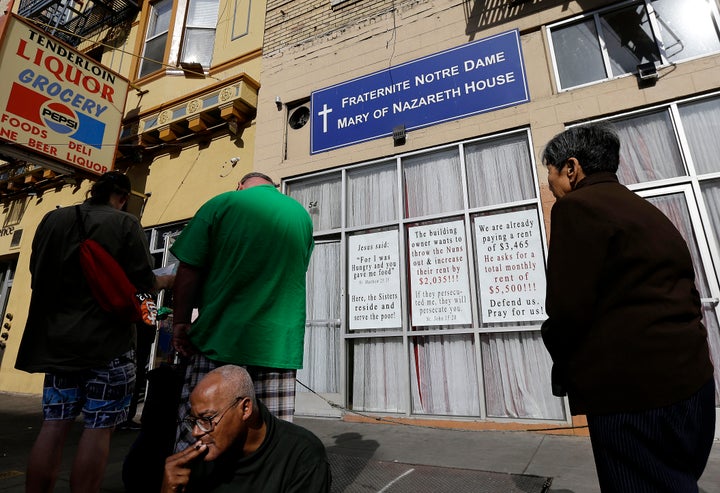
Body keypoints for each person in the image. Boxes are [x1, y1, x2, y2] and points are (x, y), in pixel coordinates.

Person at [541, 124, 715, 492]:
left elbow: (567, 309)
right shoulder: (644, 211)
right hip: (693, 383)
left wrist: (558, 350)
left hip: (634, 397)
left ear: (571, 169)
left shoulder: (577, 208)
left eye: (551, 174)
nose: (552, 186)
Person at [15, 171, 174, 493]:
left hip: (57, 345)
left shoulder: (52, 220)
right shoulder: (125, 224)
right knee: (99, 427)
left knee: (54, 424)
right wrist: (166, 283)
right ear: (124, 198)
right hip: (108, 346)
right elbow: (143, 284)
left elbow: (36, 272)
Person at [170, 171, 314, 453]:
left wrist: (180, 322)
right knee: (269, 442)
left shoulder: (222, 204)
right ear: (273, 186)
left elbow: (188, 268)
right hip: (277, 346)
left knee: (201, 436)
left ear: (240, 186)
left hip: (220, 338)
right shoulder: (301, 216)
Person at [162, 365, 331, 493]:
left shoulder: (302, 456)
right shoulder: (199, 460)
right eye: (193, 421)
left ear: (245, 409)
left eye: (207, 419)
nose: (196, 432)